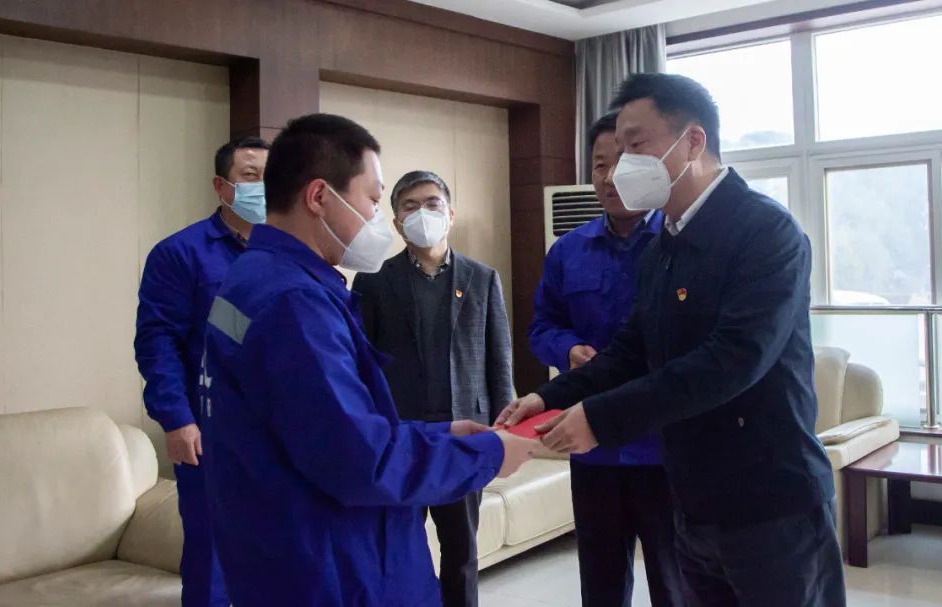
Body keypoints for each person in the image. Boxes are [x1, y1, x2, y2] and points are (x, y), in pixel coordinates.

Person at [497, 73, 846, 606]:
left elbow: (732, 360)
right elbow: (633, 350)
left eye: (635, 146)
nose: (621, 169)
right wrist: (549, 398)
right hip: (692, 500)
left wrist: (601, 419)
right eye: (614, 154)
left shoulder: (766, 232)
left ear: (693, 142)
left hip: (770, 503)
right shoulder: (665, 244)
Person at [200, 113, 537, 607]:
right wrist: (488, 455)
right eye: (375, 201)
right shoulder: (296, 303)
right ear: (320, 197)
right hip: (332, 564)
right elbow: (362, 460)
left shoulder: (252, 277)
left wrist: (441, 434)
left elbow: (324, 423)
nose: (378, 219)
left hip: (281, 548)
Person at [527, 112, 687, 607]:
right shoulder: (568, 251)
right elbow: (541, 327)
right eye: (599, 164)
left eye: (623, 161)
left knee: (675, 583)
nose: (610, 176)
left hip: (663, 446)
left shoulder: (679, 245)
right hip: (591, 446)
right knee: (600, 581)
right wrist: (566, 349)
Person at [352, 170, 514, 607]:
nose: (422, 213)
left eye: (432, 203)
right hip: (403, 438)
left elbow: (499, 360)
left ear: (450, 213)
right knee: (398, 551)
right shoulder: (374, 280)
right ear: (396, 221)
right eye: (410, 206)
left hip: (465, 434)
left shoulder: (482, 278)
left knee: (461, 551)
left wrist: (504, 432)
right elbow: (363, 365)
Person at [134, 135, 270, 607]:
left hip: (278, 431)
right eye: (251, 176)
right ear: (221, 186)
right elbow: (157, 342)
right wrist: (176, 419)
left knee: (279, 552)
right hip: (210, 431)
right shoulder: (181, 253)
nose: (263, 186)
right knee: (212, 554)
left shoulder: (289, 253)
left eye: (272, 177)